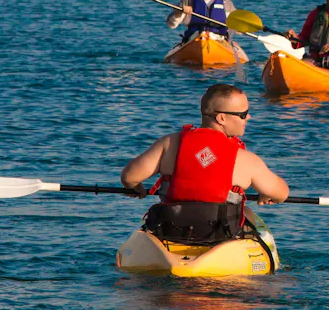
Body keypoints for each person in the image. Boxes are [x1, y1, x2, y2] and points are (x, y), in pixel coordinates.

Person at [120, 84, 289, 244]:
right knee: (248, 215)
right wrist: (266, 194)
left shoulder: (169, 144)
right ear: (222, 118)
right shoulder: (245, 159)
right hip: (220, 235)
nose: (249, 117)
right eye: (243, 114)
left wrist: (137, 188)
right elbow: (281, 194)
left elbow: (129, 177)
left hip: (170, 231)